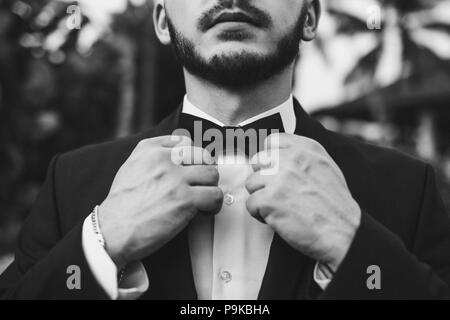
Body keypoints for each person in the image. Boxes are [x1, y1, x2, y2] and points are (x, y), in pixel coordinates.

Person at [1, 0, 450, 300]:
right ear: (162, 20)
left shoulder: (409, 188)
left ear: (310, 16)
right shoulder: (71, 183)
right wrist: (100, 246)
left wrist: (355, 246)